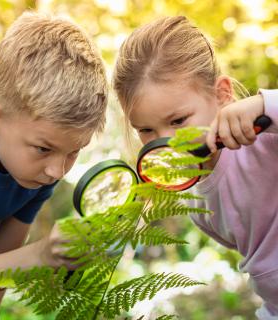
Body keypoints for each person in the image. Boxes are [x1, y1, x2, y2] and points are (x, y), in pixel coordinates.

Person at [112, 16, 278, 319]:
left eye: (178, 121)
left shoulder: (264, 136)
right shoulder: (193, 200)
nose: (168, 144)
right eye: (146, 130)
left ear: (221, 94)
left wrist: (265, 106)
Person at [0, 11, 108, 320]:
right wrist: (38, 255)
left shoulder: (41, 165)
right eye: (43, 149)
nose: (58, 171)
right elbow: (18, 262)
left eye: (74, 152)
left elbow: (0, 266)